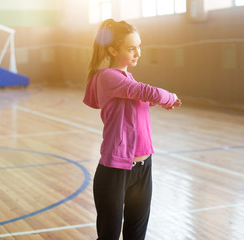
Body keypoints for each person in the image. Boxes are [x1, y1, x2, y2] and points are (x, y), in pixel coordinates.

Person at [83, 18, 182, 240]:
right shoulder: (107, 76)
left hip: (144, 167)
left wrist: (160, 102)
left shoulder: (127, 77)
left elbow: (134, 99)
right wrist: (170, 97)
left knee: (136, 236)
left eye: (139, 46)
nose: (138, 52)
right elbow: (143, 91)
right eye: (131, 48)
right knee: (108, 236)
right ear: (112, 49)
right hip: (116, 170)